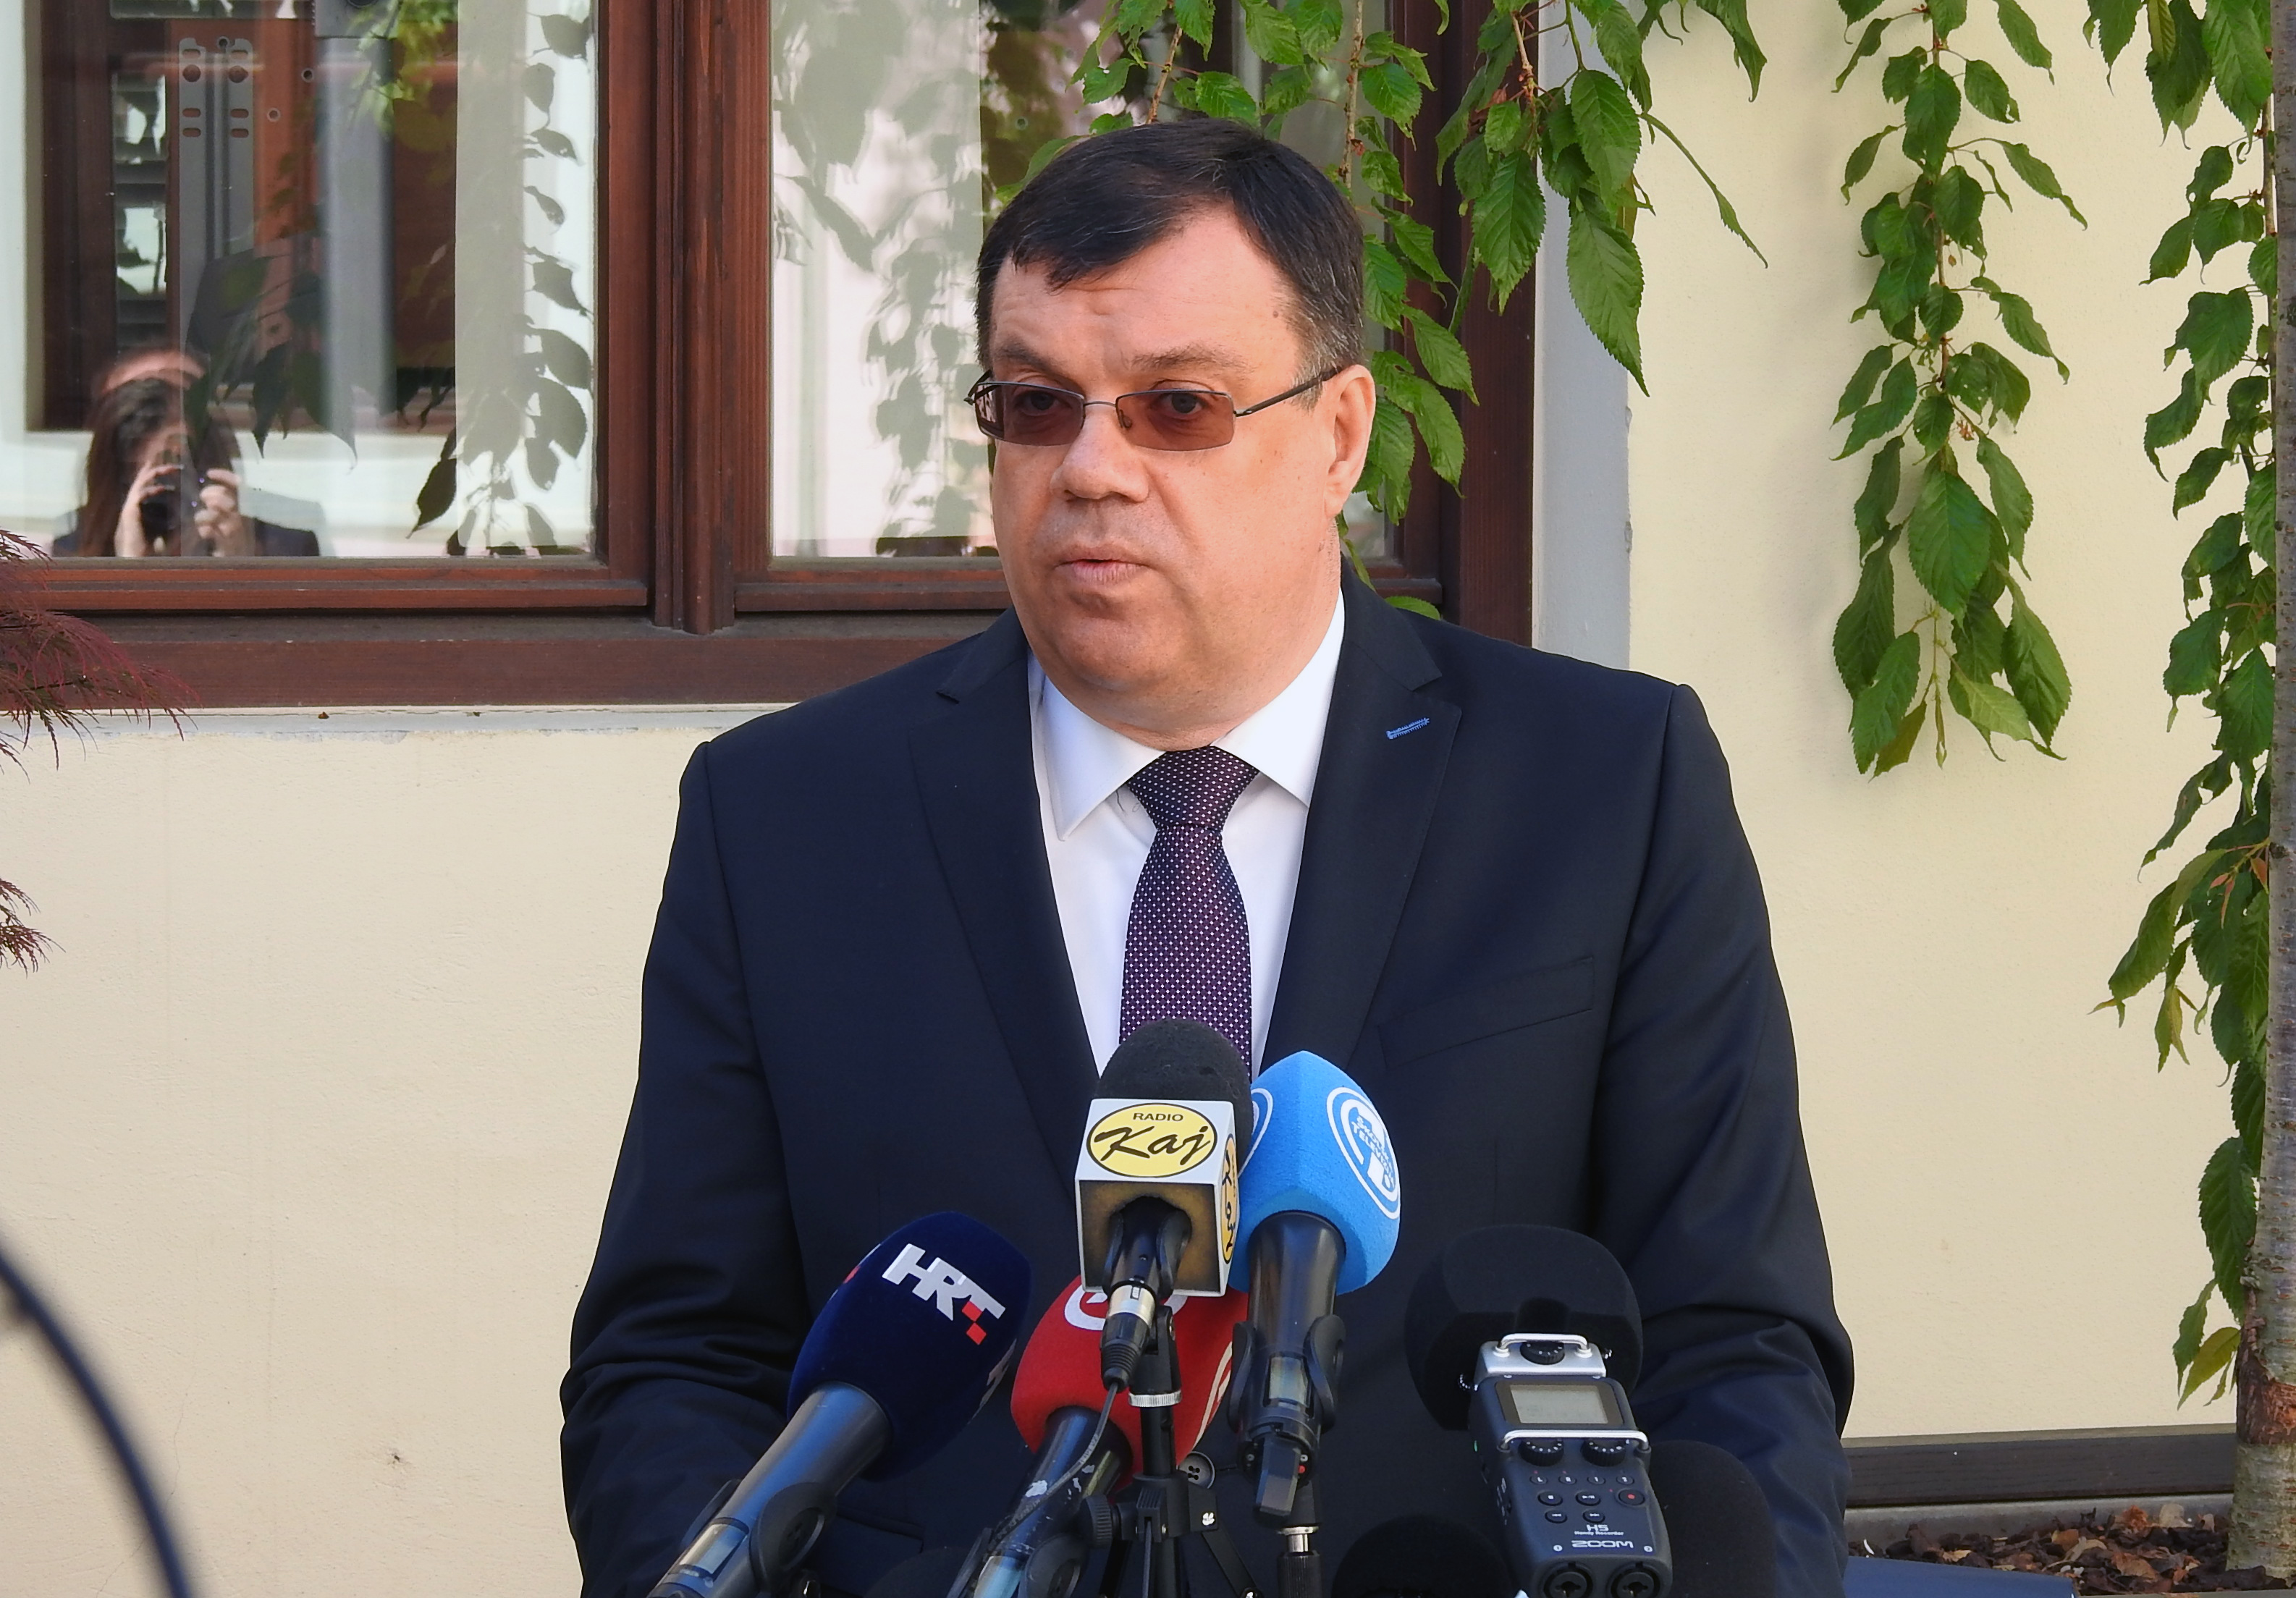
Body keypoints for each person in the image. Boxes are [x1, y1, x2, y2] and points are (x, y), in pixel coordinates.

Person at [561, 119, 1852, 1598]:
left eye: (1175, 405)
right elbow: (675, 1361)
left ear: (1340, 434)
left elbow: (1732, 1342)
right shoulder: (786, 815)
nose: (1089, 469)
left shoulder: (1604, 786)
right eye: (1036, 404)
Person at [57, 365, 320, 558]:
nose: (168, 500)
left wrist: (237, 571)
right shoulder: (69, 558)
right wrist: (127, 576)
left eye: (179, 476)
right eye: (151, 488)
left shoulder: (288, 551)